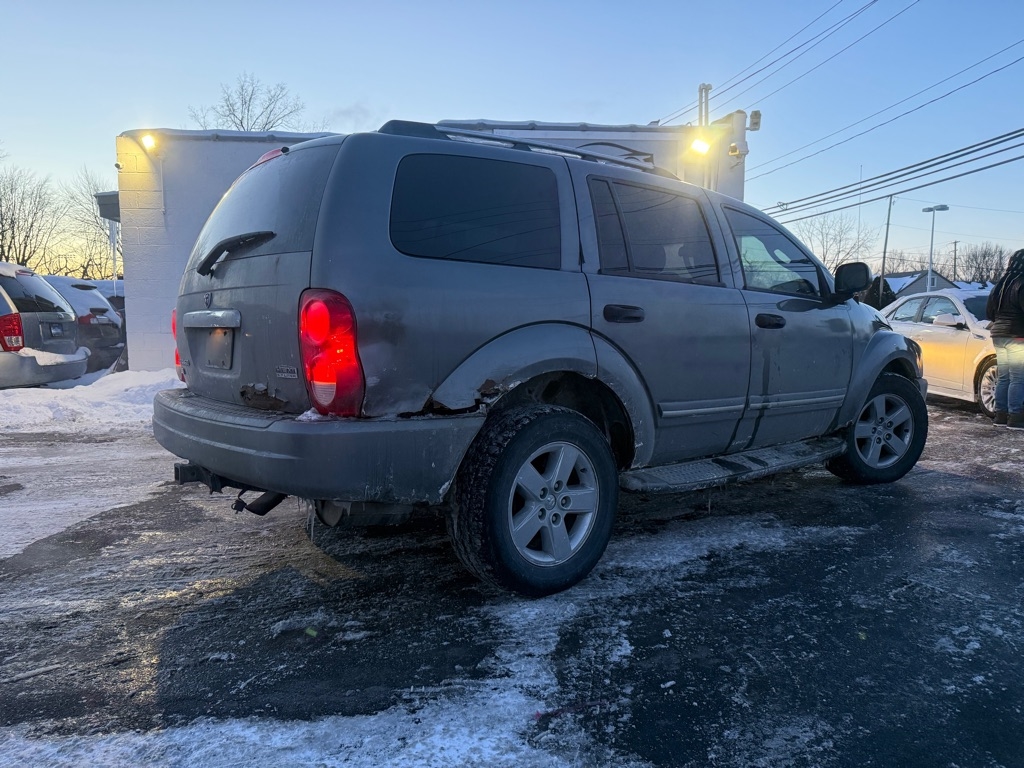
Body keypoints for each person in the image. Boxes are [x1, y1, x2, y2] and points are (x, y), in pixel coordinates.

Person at [986, 249, 1024, 428]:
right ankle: (1015, 417)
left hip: (998, 335)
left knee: (1004, 377)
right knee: (1018, 377)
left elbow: (989, 313)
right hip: (1017, 335)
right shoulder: (1021, 283)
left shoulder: (999, 285)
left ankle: (1000, 415)